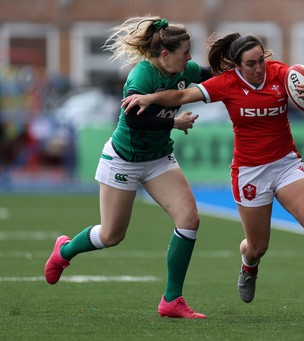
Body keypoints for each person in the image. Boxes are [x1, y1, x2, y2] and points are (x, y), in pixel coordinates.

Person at [121, 32, 304, 319]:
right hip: (250, 171)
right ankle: (248, 263)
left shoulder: (282, 74)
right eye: (251, 63)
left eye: (261, 60)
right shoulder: (227, 83)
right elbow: (183, 95)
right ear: (237, 65)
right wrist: (150, 97)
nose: (259, 68)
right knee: (258, 246)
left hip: (286, 163)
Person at [44, 16, 214, 319]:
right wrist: (174, 122)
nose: (190, 58)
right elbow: (134, 118)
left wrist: (243, 68)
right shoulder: (141, 77)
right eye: (185, 52)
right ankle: (65, 251)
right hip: (124, 159)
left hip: (159, 159)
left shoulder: (184, 70)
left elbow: (209, 75)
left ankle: (172, 300)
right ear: (164, 55)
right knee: (111, 235)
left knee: (189, 219)